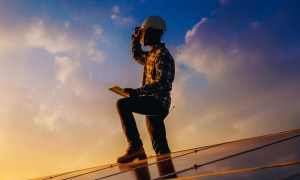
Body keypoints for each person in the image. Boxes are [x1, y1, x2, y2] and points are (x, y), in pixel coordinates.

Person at [116, 16, 175, 164]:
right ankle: (167, 170)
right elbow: (137, 56)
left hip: (157, 102)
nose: (142, 36)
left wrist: (137, 92)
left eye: (143, 33)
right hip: (152, 104)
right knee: (160, 146)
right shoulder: (151, 55)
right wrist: (135, 39)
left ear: (152, 33)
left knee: (123, 104)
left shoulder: (162, 55)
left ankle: (136, 147)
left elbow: (163, 83)